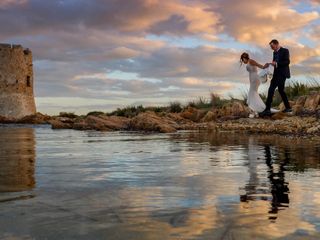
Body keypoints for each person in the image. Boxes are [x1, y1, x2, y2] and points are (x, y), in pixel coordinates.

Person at [259, 39, 292, 117]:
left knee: (271, 89)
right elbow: (274, 63)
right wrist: (270, 64)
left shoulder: (285, 50)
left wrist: (276, 63)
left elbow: (287, 62)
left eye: (272, 46)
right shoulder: (274, 52)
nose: (271, 48)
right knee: (281, 90)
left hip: (283, 73)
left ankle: (267, 109)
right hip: (276, 74)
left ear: (277, 44)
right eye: (271, 47)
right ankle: (288, 107)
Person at [240, 52, 269, 118]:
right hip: (253, 79)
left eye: (242, 59)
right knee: (253, 94)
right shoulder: (248, 62)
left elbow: (258, 65)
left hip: (255, 78)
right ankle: (256, 111)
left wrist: (264, 67)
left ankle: (255, 111)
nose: (242, 61)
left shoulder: (251, 61)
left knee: (252, 93)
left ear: (245, 58)